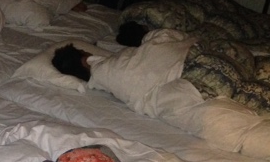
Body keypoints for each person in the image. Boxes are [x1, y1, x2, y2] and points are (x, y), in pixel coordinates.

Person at [52, 31, 270, 115]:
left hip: (199, 70)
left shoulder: (106, 77)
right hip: (201, 66)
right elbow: (164, 39)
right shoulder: (110, 68)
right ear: (84, 58)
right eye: (87, 52)